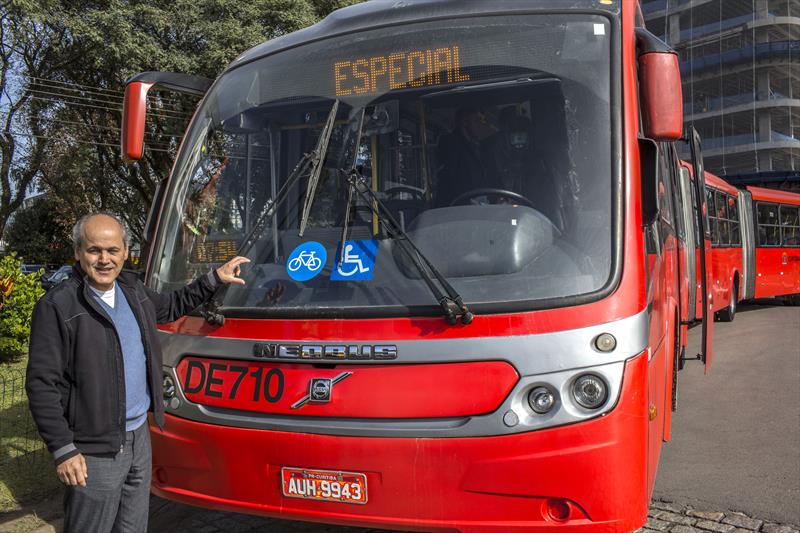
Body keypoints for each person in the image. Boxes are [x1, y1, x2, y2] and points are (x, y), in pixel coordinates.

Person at [25, 212, 250, 533]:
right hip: (93, 449)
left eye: (113, 250)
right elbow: (41, 385)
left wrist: (214, 278)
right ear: (77, 252)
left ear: (125, 251)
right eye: (94, 250)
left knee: (133, 528)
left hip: (139, 439)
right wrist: (63, 450)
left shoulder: (133, 290)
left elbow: (174, 304)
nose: (104, 259)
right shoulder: (57, 307)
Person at [435, 107, 491, 206]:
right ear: (465, 122)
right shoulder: (450, 143)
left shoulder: (478, 146)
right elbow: (449, 178)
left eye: (482, 121)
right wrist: (466, 200)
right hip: (458, 206)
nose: (480, 125)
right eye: (476, 120)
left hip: (478, 203)